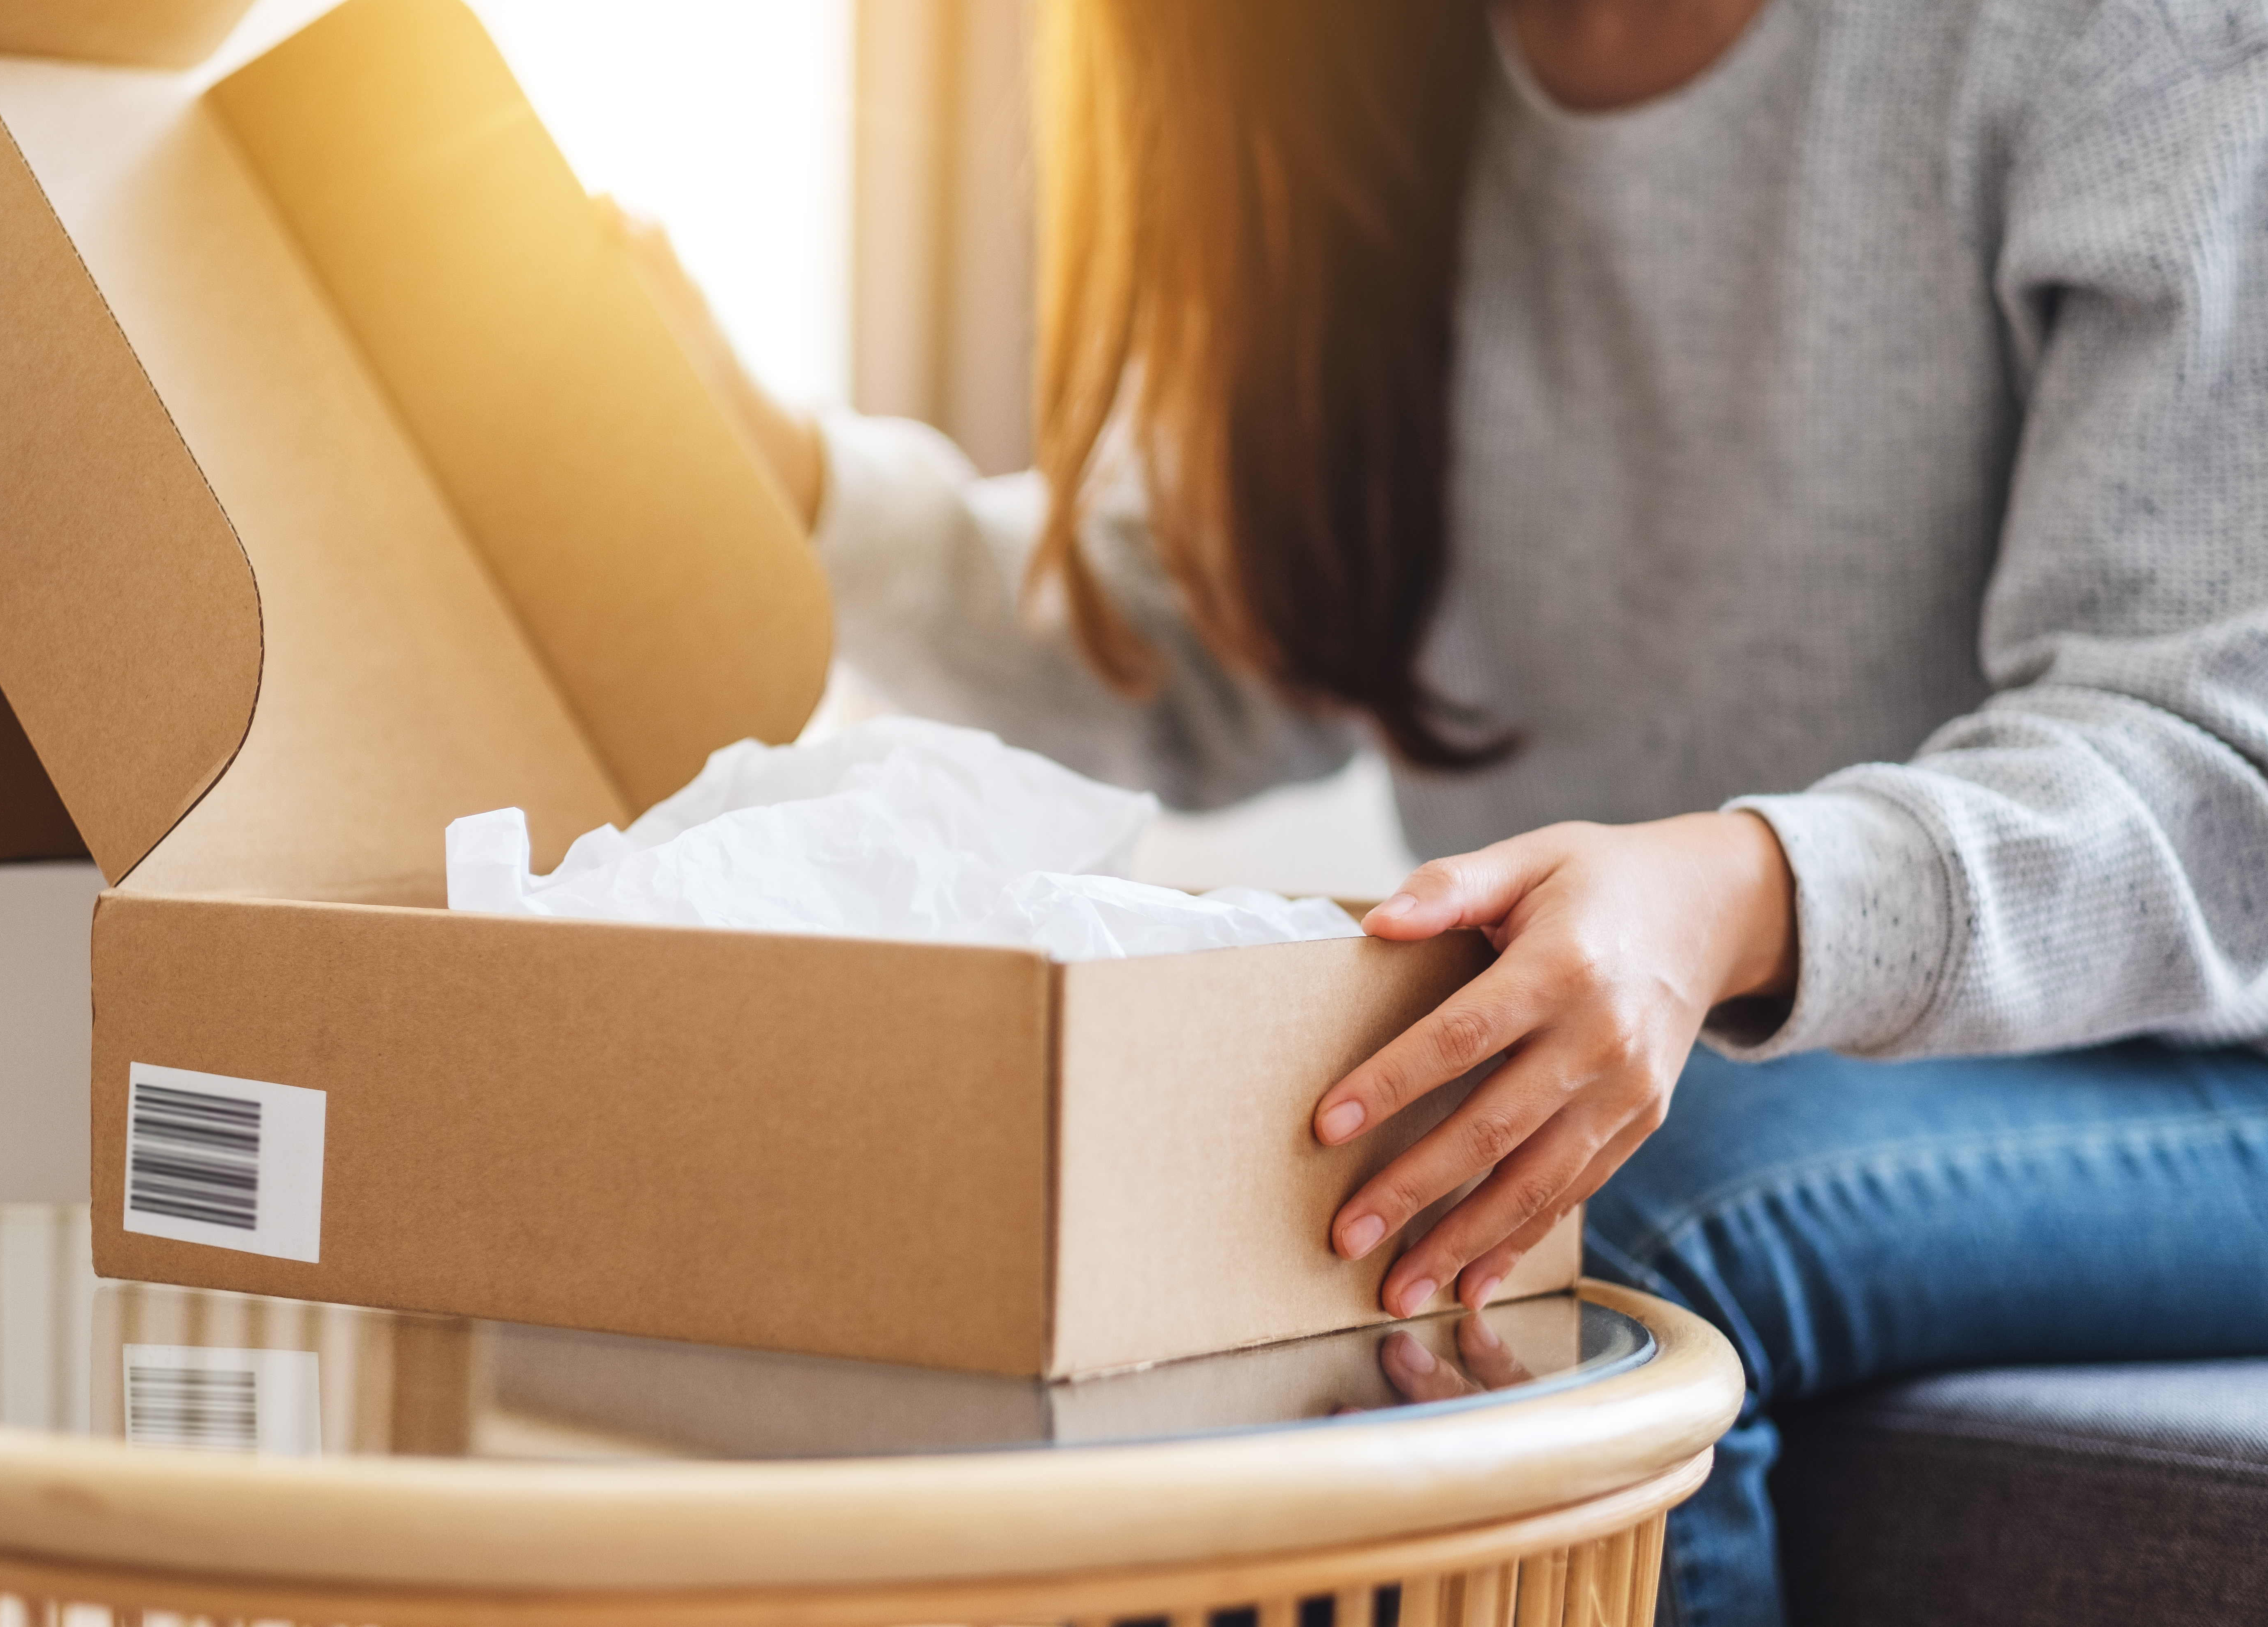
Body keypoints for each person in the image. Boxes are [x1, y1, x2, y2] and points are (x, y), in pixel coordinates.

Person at [618, 1, 2268, 1621]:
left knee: (1571, 1209)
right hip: (1713, 1068)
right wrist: (785, 475)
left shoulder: (2121, 41)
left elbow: (2210, 764)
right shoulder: (1347, 69)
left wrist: (1729, 897)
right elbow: (1208, 650)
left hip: (2200, 1073)